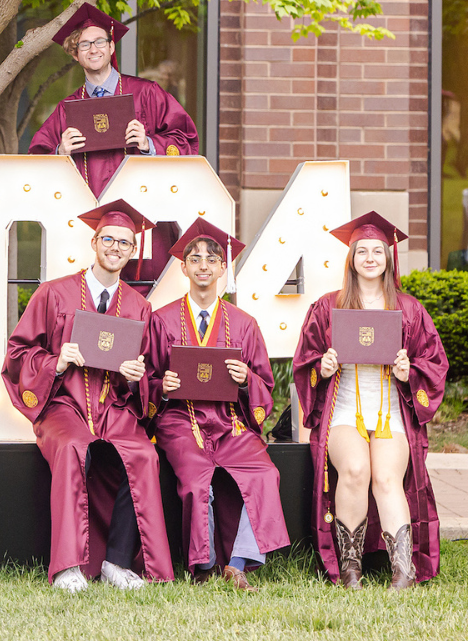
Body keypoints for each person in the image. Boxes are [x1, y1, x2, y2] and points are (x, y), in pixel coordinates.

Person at [3, 200, 172, 591]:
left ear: (133, 252)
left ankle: (116, 562)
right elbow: (17, 354)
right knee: (72, 447)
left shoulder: (138, 306)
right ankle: (68, 566)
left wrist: (135, 377)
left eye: (125, 243)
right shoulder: (54, 294)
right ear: (94, 242)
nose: (115, 247)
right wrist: (55, 362)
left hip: (113, 406)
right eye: (109, 239)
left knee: (143, 453)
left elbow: (149, 375)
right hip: (65, 403)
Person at [294, 212, 447, 589]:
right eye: (362, 251)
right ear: (351, 259)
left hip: (390, 410)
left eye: (377, 251)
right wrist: (323, 366)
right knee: (355, 470)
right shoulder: (328, 307)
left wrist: (408, 370)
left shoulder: (409, 309)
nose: (370, 258)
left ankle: (403, 571)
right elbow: (305, 361)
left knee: (386, 476)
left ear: (388, 257)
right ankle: (350, 568)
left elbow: (434, 363)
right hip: (345, 409)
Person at [144, 218, 288, 590]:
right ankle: (204, 565)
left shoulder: (244, 323)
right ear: (184, 267)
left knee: (264, 474)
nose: (204, 265)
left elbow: (265, 386)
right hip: (180, 421)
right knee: (196, 480)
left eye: (212, 259)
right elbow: (145, 377)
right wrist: (163, 386)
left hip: (230, 423)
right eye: (195, 259)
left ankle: (237, 564)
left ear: (224, 267)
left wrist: (246, 381)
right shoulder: (160, 321)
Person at [28, 3, 198, 280]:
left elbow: (186, 139)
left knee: (147, 300)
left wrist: (149, 144)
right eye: (84, 45)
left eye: (99, 42)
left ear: (111, 47)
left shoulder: (147, 94)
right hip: (90, 229)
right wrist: (60, 153)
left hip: (146, 222)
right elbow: (37, 159)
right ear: (75, 54)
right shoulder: (67, 109)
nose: (93, 49)